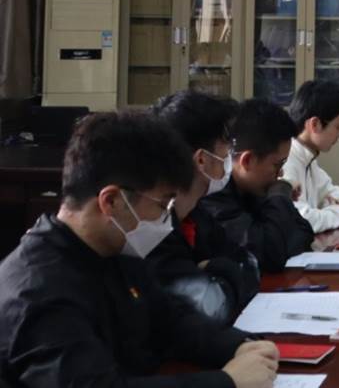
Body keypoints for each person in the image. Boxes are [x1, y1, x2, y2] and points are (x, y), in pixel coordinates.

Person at [0, 111, 278, 387]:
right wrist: (227, 382)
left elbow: (169, 321)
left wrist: (239, 345)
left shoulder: (114, 251)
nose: (167, 219)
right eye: (162, 205)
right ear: (111, 201)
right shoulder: (39, 292)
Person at [148, 91, 261, 324]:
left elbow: (251, 264)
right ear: (201, 160)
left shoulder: (196, 214)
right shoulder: (152, 226)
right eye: (226, 147)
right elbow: (209, 307)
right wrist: (227, 269)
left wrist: (214, 269)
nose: (230, 155)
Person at [198, 98, 313, 272]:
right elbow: (269, 254)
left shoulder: (253, 188)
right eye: (278, 164)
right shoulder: (214, 195)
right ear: (247, 160)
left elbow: (305, 232)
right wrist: (280, 192)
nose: (280, 173)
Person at [282, 79, 339, 232]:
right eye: (338, 126)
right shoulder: (285, 160)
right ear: (315, 124)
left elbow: (329, 191)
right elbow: (302, 220)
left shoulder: (308, 158)